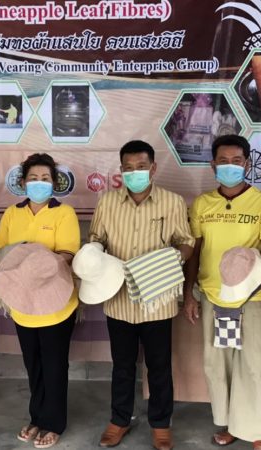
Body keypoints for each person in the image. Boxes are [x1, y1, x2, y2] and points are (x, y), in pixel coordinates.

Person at [89, 140, 195, 450]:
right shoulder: (107, 202)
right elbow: (96, 240)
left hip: (157, 301)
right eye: (128, 168)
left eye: (141, 167)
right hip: (118, 299)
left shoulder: (172, 202)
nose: (134, 172)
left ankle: (161, 425)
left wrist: (172, 259)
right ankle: (119, 420)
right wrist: (92, 255)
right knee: (122, 366)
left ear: (153, 168)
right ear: (121, 170)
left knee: (159, 366)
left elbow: (186, 241)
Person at [183, 134, 261, 450]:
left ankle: (257, 431)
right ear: (213, 165)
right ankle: (228, 424)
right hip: (214, 296)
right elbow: (195, 252)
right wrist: (189, 293)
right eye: (223, 161)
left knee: (253, 363)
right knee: (218, 362)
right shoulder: (202, 203)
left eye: (236, 161)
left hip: (250, 296)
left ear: (247, 164)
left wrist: (247, 268)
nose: (230, 166)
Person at [0, 153, 80, 449]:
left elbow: (67, 254)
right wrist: (23, 254)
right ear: (22, 182)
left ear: (54, 183)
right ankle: (37, 417)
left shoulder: (64, 213)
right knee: (34, 365)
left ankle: (54, 423)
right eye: (33, 178)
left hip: (56, 303)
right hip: (23, 303)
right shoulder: (12, 213)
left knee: (55, 365)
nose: (39, 183)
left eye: (45, 178)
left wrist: (30, 257)